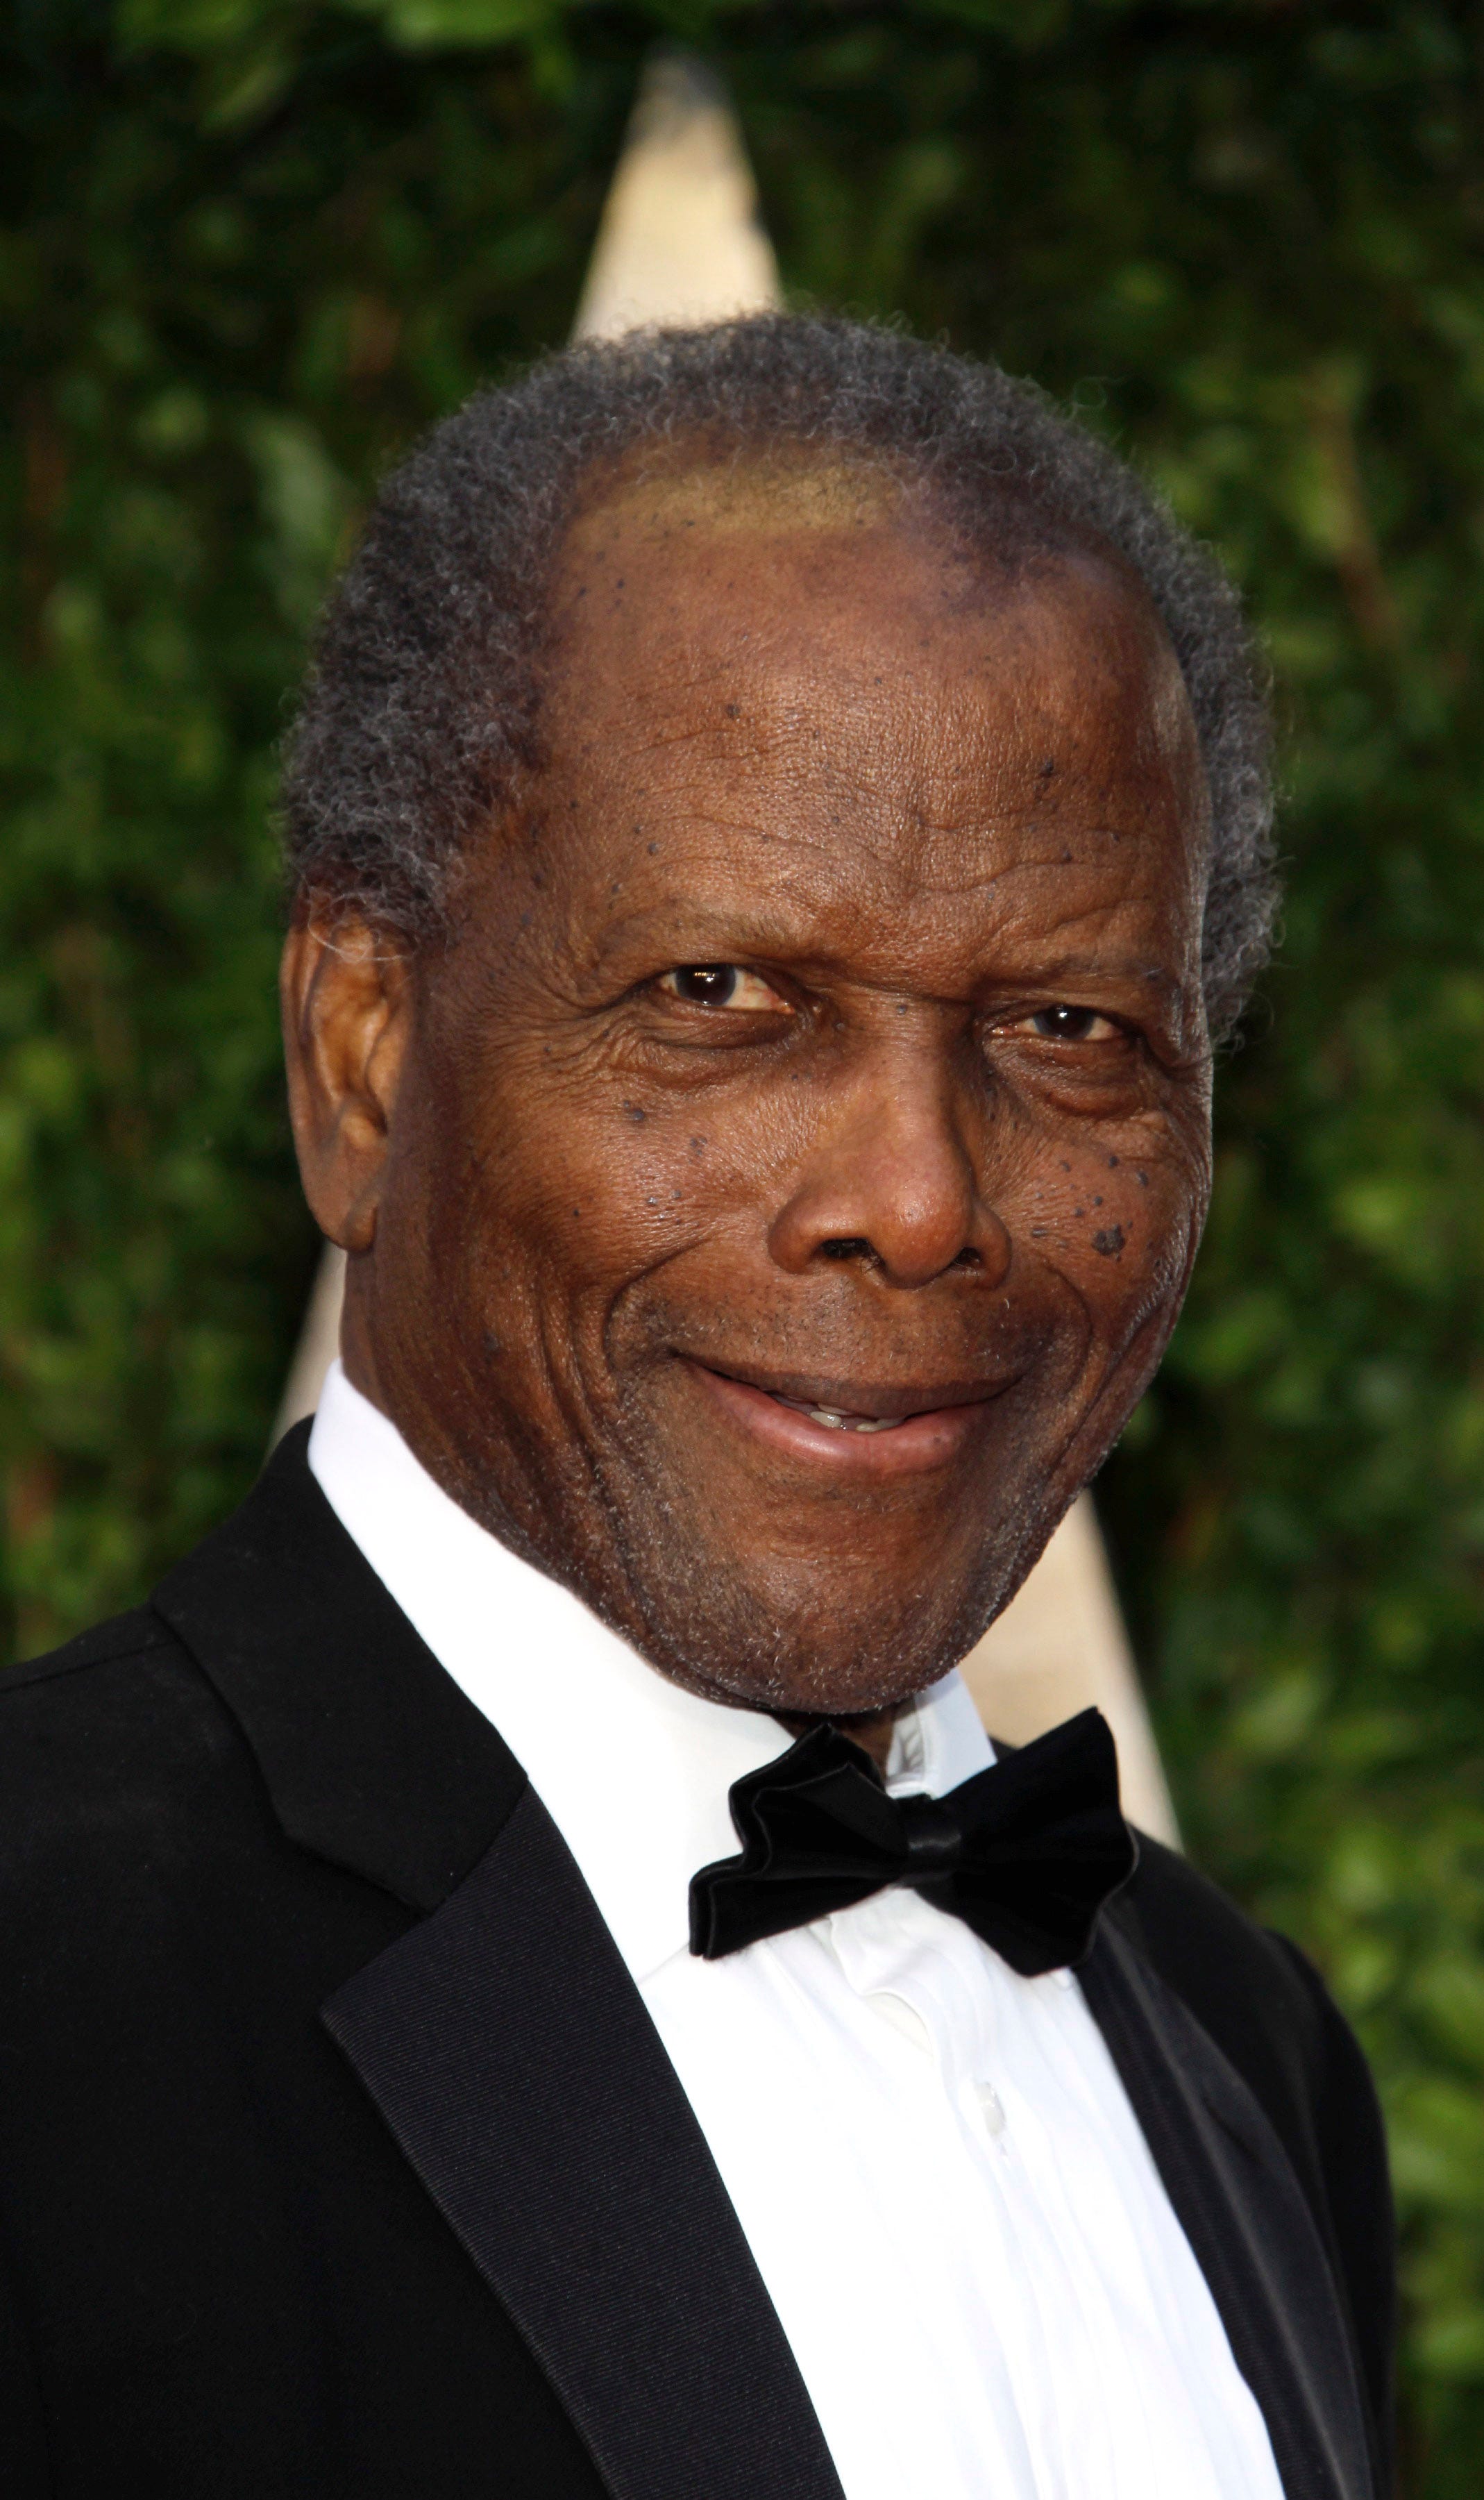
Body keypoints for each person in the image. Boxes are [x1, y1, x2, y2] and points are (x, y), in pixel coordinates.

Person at [0, 316, 1392, 2500]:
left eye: (1066, 1026)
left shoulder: (1254, 2054)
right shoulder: (47, 1991)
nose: (916, 1201)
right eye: (722, 992)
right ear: (364, 1055)